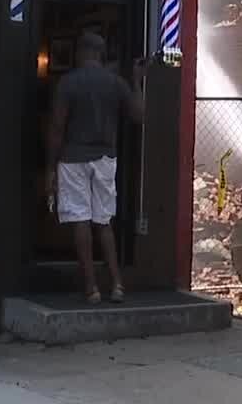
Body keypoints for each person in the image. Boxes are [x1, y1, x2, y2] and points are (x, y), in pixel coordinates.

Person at [46, 31, 144, 305]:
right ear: (101, 54)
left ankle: (91, 289)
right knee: (104, 222)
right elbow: (139, 114)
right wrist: (136, 81)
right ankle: (117, 285)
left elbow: (56, 127)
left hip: (73, 157)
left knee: (80, 220)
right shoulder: (116, 83)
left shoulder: (68, 83)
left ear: (80, 52)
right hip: (105, 159)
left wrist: (50, 169)